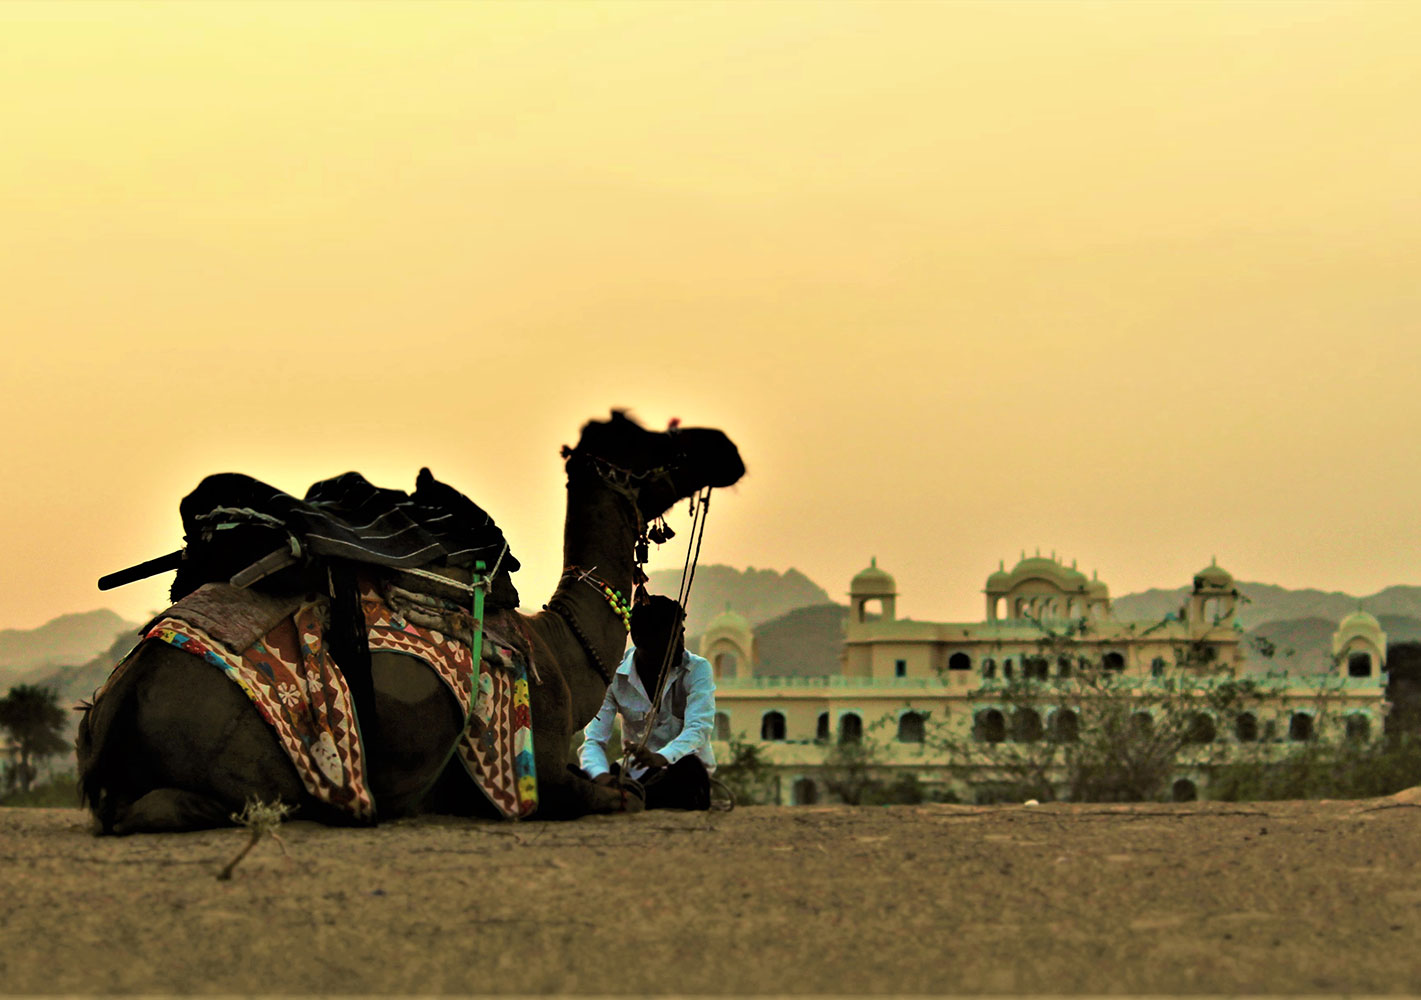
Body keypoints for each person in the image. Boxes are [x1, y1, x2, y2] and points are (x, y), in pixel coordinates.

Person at [578, 595, 716, 810]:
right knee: (581, 774)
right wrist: (601, 775)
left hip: (682, 772)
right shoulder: (614, 674)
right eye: (672, 637)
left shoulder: (697, 669)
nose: (681, 643)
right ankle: (618, 793)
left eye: (681, 633)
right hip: (636, 775)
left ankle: (623, 798)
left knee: (688, 770)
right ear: (644, 640)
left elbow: (699, 729)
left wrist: (660, 758)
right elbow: (594, 740)